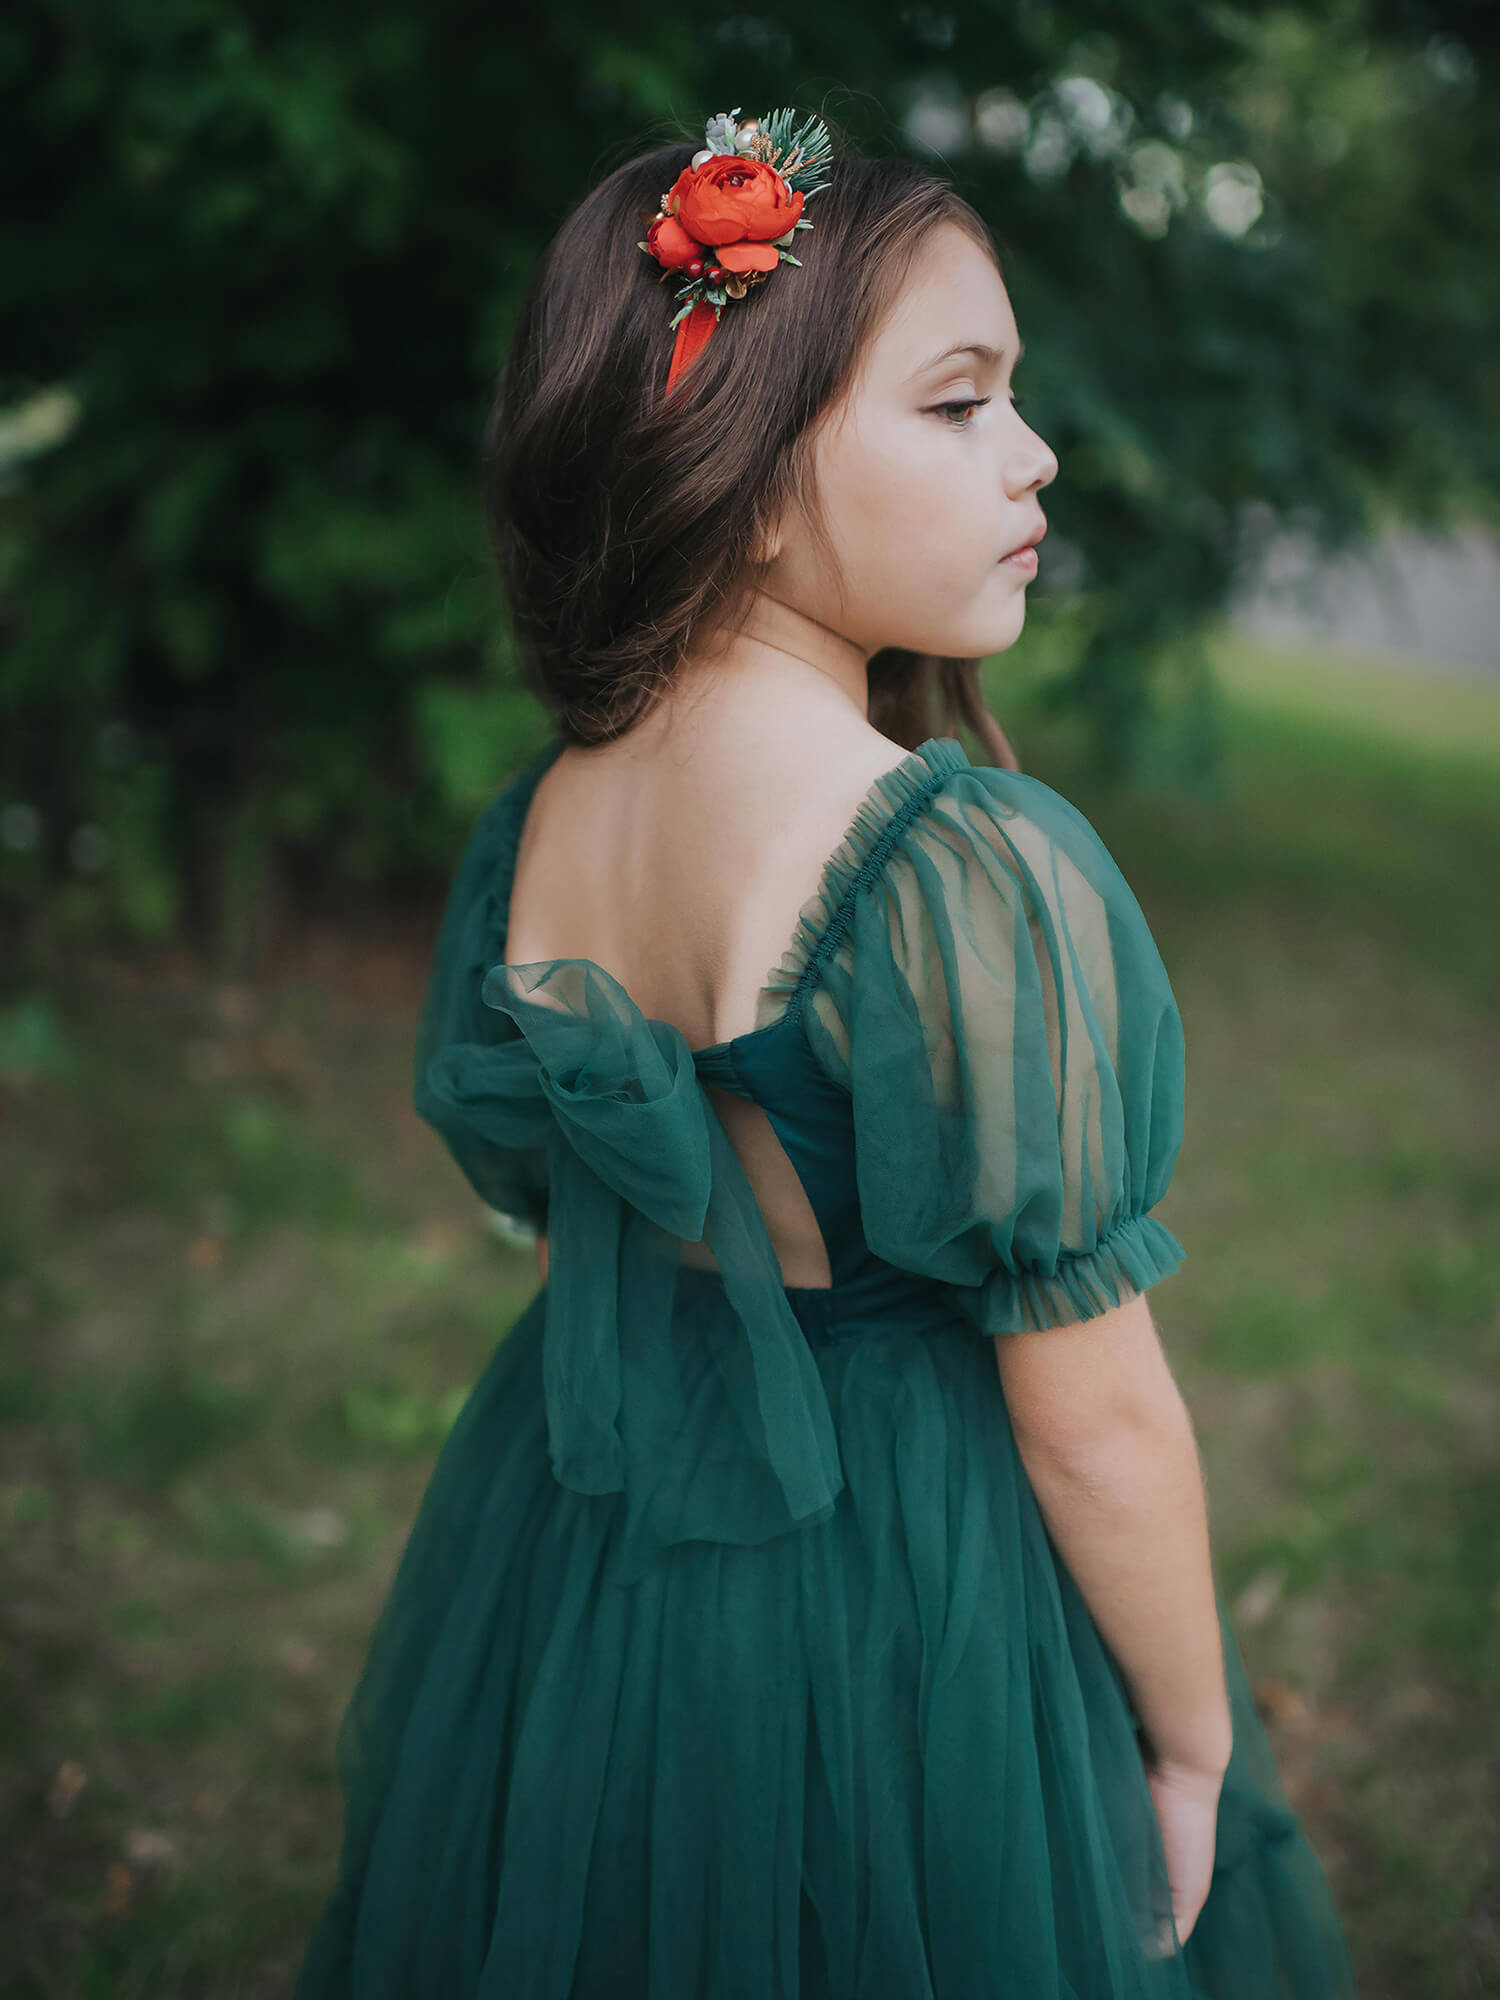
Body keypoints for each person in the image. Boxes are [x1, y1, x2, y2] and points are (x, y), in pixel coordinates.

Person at [293, 107, 1358, 1998]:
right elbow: (1097, 1415)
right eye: (958, 404)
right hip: (901, 1571)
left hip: (597, 1540)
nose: (1035, 455)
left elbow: (560, 1198)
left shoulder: (548, 811)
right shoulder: (947, 867)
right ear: (748, 468)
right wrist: (1188, 1739)